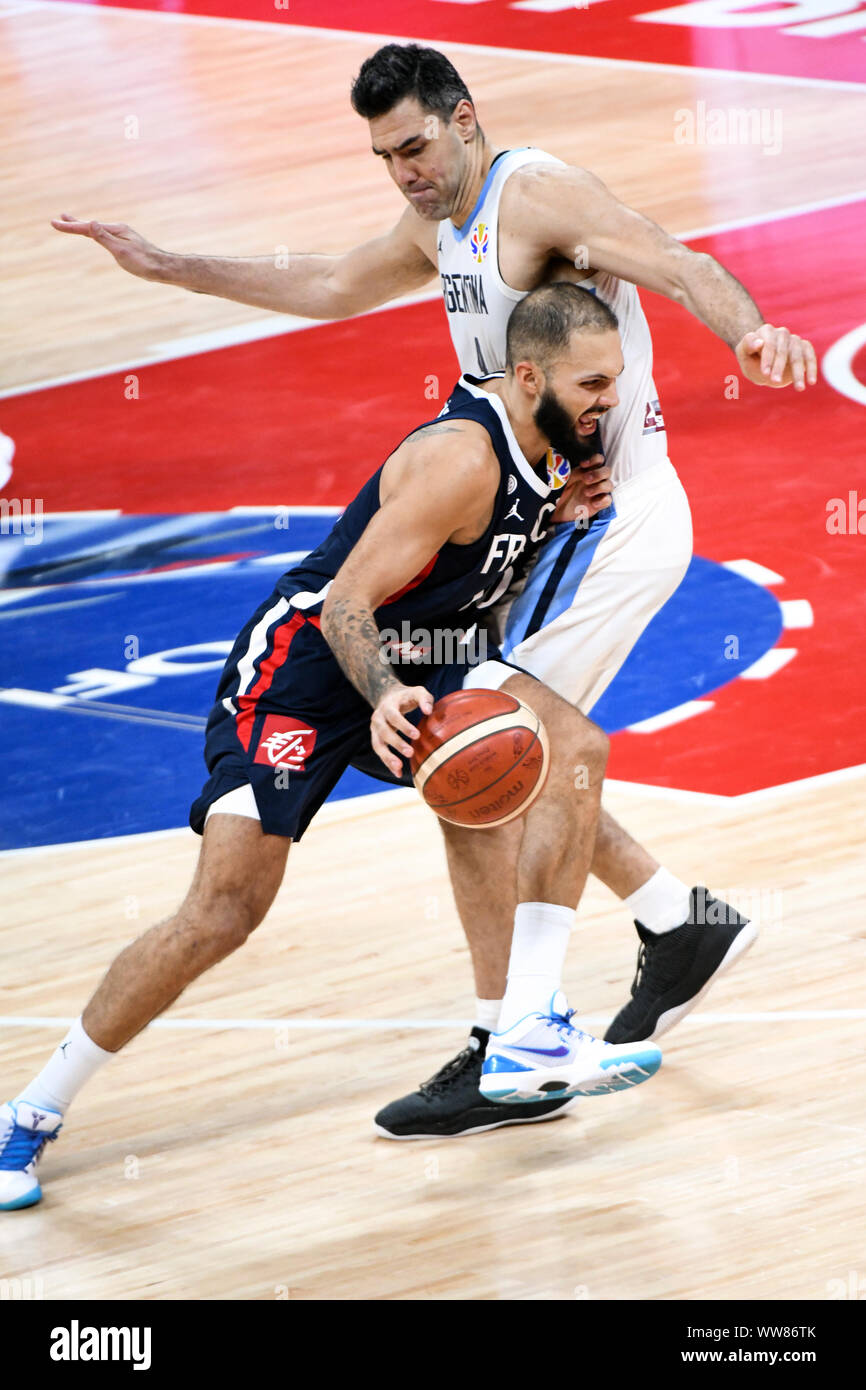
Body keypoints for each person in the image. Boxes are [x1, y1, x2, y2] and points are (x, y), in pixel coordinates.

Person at [50, 43, 815, 1138]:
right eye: (384, 155)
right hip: (546, 516)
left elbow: (672, 257)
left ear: (464, 118)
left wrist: (747, 330)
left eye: (414, 144)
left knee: (518, 735)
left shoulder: (536, 192)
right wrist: (171, 266)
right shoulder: (435, 224)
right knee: (487, 746)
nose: (404, 170)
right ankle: (671, 925)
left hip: (613, 517)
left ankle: (521, 1038)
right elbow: (323, 283)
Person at [0, 285, 667, 1211]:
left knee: (530, 770)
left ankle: (509, 1039)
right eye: (593, 382)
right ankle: (29, 1114)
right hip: (308, 675)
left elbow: (476, 564)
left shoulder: (553, 449)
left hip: (419, 662)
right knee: (226, 909)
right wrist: (388, 692)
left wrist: (552, 524)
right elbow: (343, 604)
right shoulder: (458, 458)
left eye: (614, 380)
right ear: (527, 376)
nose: (610, 399)